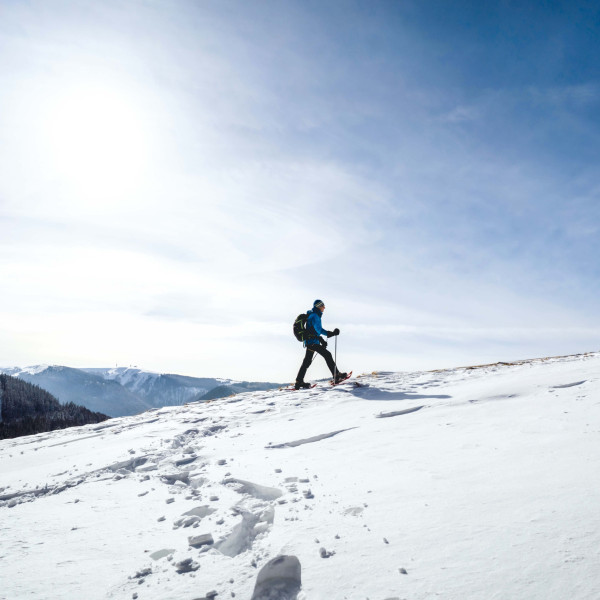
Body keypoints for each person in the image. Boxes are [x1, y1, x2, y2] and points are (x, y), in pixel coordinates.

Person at [295, 299, 347, 389]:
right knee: (327, 355)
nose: (324, 308)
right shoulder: (315, 316)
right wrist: (331, 333)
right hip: (312, 342)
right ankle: (336, 375)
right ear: (318, 306)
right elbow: (319, 330)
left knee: (306, 362)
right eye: (323, 306)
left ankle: (299, 381)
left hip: (311, 342)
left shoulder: (313, 315)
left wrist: (321, 340)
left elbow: (313, 331)